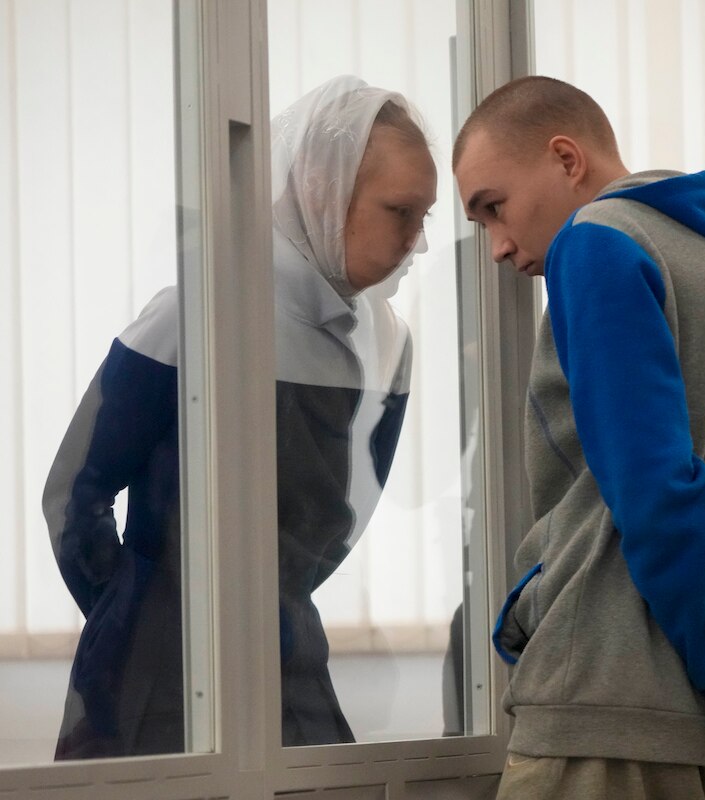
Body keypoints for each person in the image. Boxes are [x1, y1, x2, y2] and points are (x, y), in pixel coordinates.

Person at [453, 75, 705, 800]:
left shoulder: (597, 244)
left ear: (567, 159)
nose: (498, 246)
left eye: (493, 208)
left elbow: (658, 494)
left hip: (601, 718)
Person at [43, 75, 437, 758]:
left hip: (288, 654)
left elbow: (337, 524)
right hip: (150, 677)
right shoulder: (195, 313)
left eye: (425, 216)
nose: (418, 242)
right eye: (400, 211)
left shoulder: (392, 342)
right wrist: (138, 618)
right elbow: (75, 493)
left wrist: (270, 610)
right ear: (322, 185)